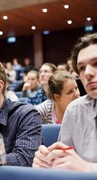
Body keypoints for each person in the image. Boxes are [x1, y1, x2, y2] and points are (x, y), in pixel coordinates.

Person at [32, 33, 97, 172]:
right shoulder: (74, 109)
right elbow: (64, 161)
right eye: (82, 68)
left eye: (96, 63)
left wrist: (89, 169)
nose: (88, 73)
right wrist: (49, 162)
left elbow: (82, 168)